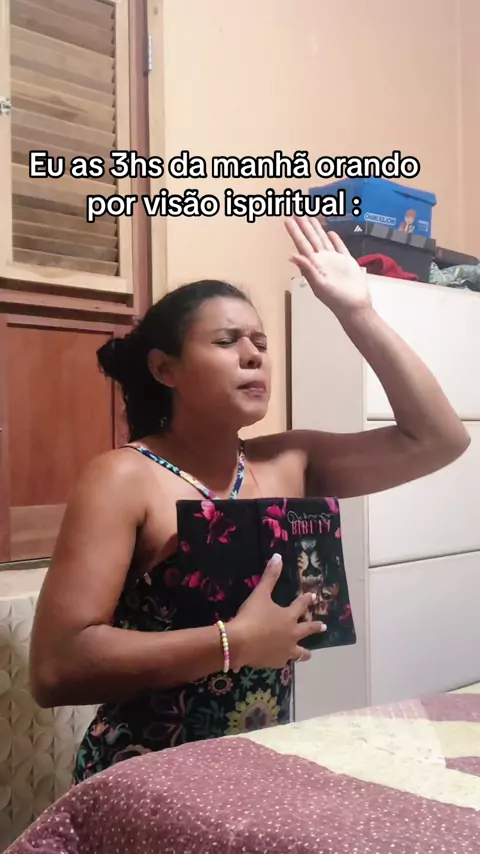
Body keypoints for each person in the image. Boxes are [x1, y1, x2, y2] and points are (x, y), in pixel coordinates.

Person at [30, 216, 470, 782]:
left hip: (258, 764)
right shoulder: (123, 477)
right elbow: (56, 666)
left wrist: (356, 312)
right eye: (226, 341)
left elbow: (440, 440)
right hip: (144, 774)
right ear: (164, 368)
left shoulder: (289, 462)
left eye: (260, 343)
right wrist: (233, 642)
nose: (253, 355)